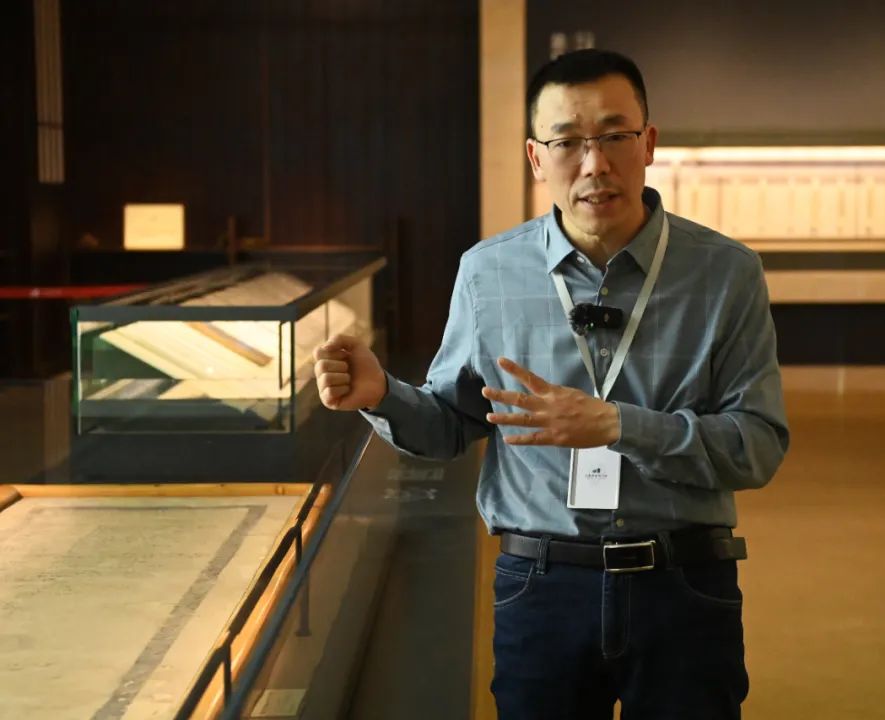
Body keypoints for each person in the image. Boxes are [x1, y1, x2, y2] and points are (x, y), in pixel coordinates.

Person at [314, 48, 789, 720]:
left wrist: (619, 426)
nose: (594, 164)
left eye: (615, 136)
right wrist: (381, 395)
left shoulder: (725, 273)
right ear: (537, 158)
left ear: (649, 143)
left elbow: (758, 445)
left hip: (684, 584)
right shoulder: (488, 273)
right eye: (567, 142)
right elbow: (450, 424)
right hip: (540, 586)